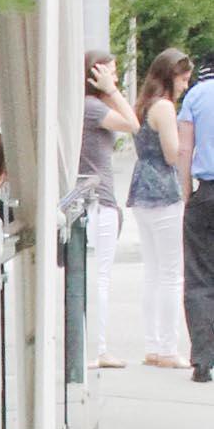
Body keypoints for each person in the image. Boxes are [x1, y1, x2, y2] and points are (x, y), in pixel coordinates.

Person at [128, 48, 193, 368]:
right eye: (182, 78)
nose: (185, 84)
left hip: (141, 186)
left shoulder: (142, 105)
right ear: (171, 76)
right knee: (171, 273)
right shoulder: (165, 107)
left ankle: (154, 344)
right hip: (164, 190)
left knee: (153, 271)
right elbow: (171, 153)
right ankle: (168, 347)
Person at [78, 49, 138, 370]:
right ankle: (97, 347)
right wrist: (112, 92)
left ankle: (93, 345)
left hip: (98, 202)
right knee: (98, 278)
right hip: (98, 203)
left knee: (94, 277)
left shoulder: (88, 107)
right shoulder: (92, 108)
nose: (115, 79)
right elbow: (133, 123)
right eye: (111, 72)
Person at [179, 52, 214, 383]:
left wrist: (187, 191)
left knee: (200, 276)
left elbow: (184, 150)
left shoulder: (196, 96)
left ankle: (203, 359)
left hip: (207, 193)